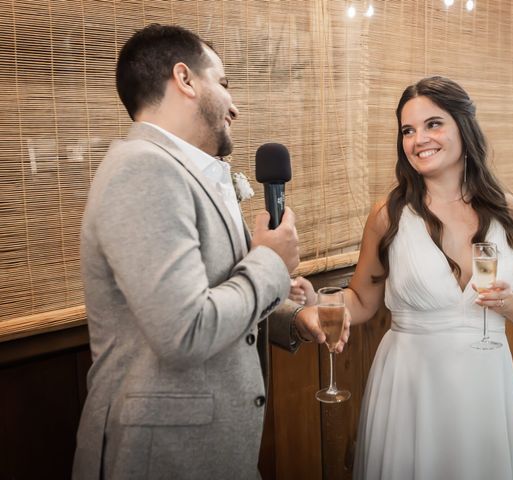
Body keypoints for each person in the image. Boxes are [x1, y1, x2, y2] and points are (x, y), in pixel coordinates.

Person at [72, 23, 326, 479]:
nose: (235, 105)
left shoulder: (178, 170)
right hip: (166, 455)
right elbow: (185, 330)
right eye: (224, 83)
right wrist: (269, 263)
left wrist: (287, 311)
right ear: (185, 79)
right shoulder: (143, 170)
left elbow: (210, 293)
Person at [297, 76, 513, 479]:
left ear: (464, 126)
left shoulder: (511, 211)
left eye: (434, 124)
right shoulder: (390, 215)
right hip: (411, 385)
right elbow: (361, 302)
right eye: (408, 131)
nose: (419, 139)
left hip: (486, 381)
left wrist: (511, 303)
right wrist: (315, 299)